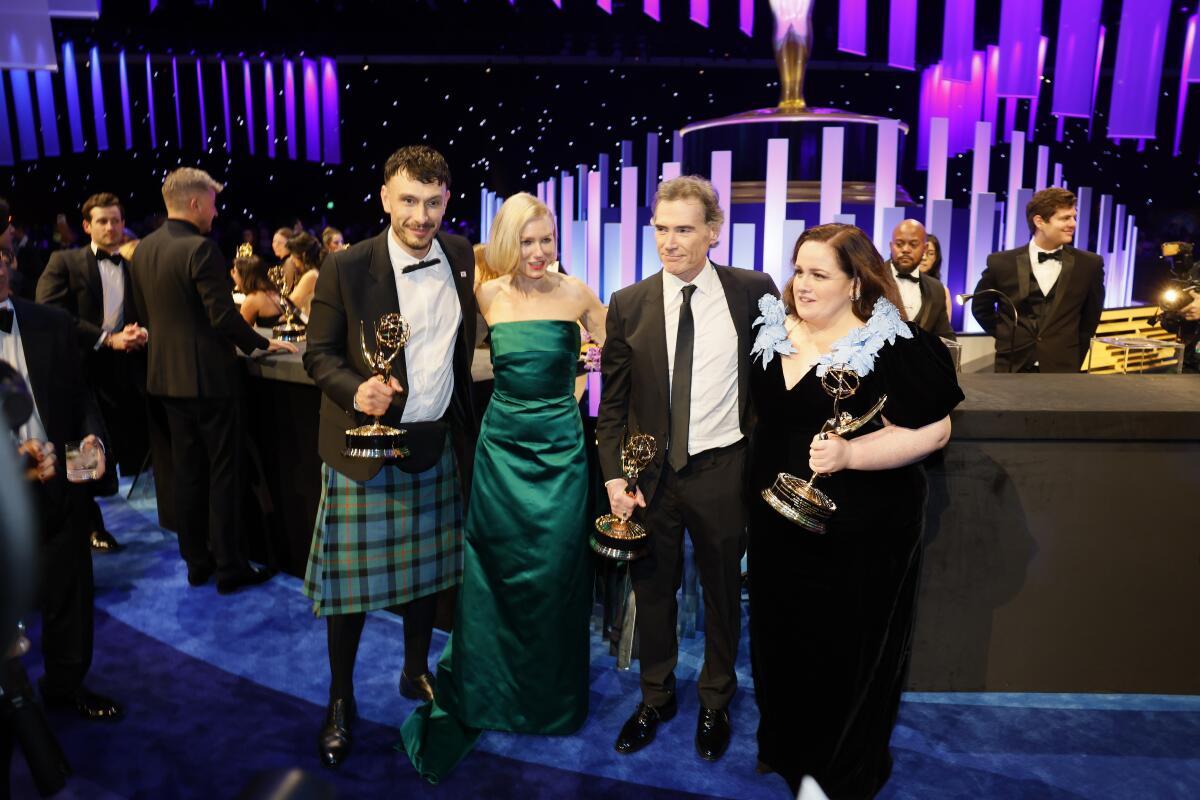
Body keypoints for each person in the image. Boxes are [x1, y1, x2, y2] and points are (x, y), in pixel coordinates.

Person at [746, 223, 963, 797]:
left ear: (856, 283)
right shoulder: (772, 328)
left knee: (843, 649)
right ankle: (788, 749)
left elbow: (936, 432)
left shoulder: (892, 343)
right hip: (776, 519)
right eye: (799, 271)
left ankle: (833, 769)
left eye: (820, 275)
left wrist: (851, 454)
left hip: (863, 529)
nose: (803, 284)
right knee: (779, 639)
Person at [400, 193, 605, 782]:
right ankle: (492, 692)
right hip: (501, 453)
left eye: (547, 240)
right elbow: (456, 360)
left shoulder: (578, 293)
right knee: (495, 571)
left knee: (556, 572)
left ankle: (549, 699)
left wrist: (584, 366)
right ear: (507, 243)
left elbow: (617, 347)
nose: (538, 253)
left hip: (563, 452)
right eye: (527, 241)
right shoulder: (486, 296)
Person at [302, 145, 477, 768]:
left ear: (447, 200)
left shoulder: (459, 257)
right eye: (408, 200)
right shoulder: (345, 267)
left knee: (427, 577)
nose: (420, 216)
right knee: (350, 592)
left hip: (432, 442)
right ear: (384, 198)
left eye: (432, 203)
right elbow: (317, 354)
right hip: (362, 449)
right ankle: (340, 699)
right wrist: (358, 390)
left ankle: (413, 670)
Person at [597, 175, 777, 762]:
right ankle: (656, 697)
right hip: (650, 476)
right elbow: (614, 406)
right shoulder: (627, 303)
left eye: (683, 230)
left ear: (713, 232)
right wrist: (614, 477)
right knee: (652, 590)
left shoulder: (754, 292)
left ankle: (716, 699)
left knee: (725, 591)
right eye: (660, 229)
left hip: (725, 468)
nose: (669, 242)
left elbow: (777, 383)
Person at [129, 168, 296, 594]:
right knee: (224, 473)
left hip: (164, 378)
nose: (217, 212)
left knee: (186, 473)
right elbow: (222, 318)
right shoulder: (201, 250)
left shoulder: (144, 249)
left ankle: (197, 562)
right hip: (209, 381)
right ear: (196, 204)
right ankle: (229, 567)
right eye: (213, 203)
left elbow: (146, 316)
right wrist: (262, 344)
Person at [0, 202, 123, 721]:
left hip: (58, 484)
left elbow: (81, 403)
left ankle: (66, 685)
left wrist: (88, 453)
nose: (2, 264)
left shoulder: (49, 322)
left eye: (1, 254)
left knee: (70, 591)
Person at [36, 192, 150, 553]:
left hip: (122, 370)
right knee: (83, 449)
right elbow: (51, 315)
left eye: (116, 220)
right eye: (102, 221)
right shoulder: (64, 261)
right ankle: (88, 525)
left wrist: (139, 332)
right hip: (76, 372)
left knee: (114, 450)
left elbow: (142, 310)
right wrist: (106, 339)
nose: (111, 227)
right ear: (86, 226)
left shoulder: (132, 265)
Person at [971, 187, 1105, 372]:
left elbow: (1090, 320)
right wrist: (1009, 336)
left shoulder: (1090, 265)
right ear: (1040, 221)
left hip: (1062, 368)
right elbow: (980, 307)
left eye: (1074, 217)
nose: (1073, 224)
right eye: (1065, 218)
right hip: (1012, 366)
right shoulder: (1001, 263)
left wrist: (1073, 357)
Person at [887, 220, 954, 340]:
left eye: (913, 244)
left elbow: (946, 339)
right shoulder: (869, 280)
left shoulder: (936, 289)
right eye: (899, 244)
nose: (906, 250)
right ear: (891, 246)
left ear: (925, 248)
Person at [232, 254, 284, 328]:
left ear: (243, 275)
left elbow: (242, 333)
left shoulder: (252, 299)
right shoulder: (272, 291)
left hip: (270, 338)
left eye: (234, 271)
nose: (233, 275)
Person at [285, 232, 325, 319]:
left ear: (303, 254)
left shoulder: (311, 275)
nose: (291, 258)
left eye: (293, 253)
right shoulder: (315, 272)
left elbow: (289, 307)